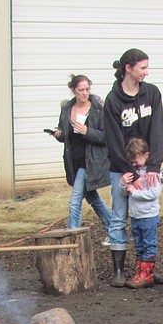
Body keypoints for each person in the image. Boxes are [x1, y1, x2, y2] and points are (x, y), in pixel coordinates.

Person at [104, 48, 163, 287]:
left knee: (148, 217)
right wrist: (129, 173)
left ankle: (146, 268)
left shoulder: (152, 93)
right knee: (120, 217)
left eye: (147, 67)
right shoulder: (113, 100)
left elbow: (158, 130)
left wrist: (152, 166)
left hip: (147, 165)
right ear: (128, 69)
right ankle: (118, 270)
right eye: (142, 68)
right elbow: (113, 138)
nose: (146, 72)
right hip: (122, 167)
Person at [51, 74, 111, 243]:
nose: (85, 93)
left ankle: (73, 239)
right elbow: (65, 136)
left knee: (74, 201)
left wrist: (87, 131)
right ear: (73, 90)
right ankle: (114, 228)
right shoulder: (66, 109)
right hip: (74, 162)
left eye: (87, 89)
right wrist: (59, 134)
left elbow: (106, 137)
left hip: (90, 162)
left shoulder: (98, 109)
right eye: (81, 90)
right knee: (93, 198)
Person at [120, 137, 163, 289]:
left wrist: (135, 192)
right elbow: (125, 192)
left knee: (149, 245)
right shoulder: (134, 172)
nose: (133, 164)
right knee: (139, 245)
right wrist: (123, 183)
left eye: (136, 160)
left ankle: (147, 274)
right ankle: (140, 272)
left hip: (149, 215)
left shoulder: (153, 173)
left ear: (146, 154)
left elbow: (153, 193)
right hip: (136, 215)